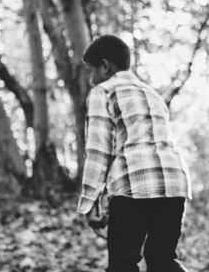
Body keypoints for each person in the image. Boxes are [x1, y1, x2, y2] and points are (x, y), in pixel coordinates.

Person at [77, 35, 192, 272]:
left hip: (133, 186)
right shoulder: (153, 94)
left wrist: (88, 204)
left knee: (123, 263)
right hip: (174, 184)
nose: (90, 80)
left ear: (105, 66)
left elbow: (98, 152)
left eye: (91, 71)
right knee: (162, 259)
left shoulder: (103, 91)